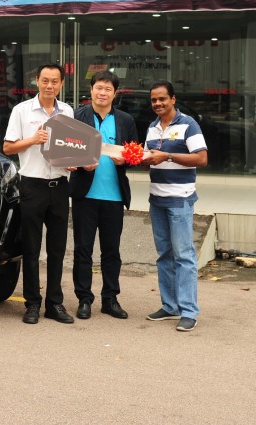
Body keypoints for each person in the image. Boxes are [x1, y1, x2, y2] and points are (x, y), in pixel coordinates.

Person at [3, 64, 75, 325]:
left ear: (61, 84)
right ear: (36, 81)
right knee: (31, 249)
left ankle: (55, 304)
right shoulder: (22, 111)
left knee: (57, 250)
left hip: (59, 186)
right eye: (45, 80)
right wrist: (33, 140)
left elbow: (71, 146)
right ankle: (32, 303)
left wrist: (73, 161)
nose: (49, 86)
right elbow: (9, 148)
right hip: (32, 185)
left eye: (55, 81)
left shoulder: (67, 111)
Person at [68, 71, 138, 320]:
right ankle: (84, 299)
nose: (102, 92)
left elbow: (135, 153)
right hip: (85, 195)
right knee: (83, 249)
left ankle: (110, 299)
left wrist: (125, 161)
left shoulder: (125, 120)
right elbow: (66, 150)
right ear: (91, 89)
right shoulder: (77, 116)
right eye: (99, 87)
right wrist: (79, 162)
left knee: (112, 251)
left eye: (108, 89)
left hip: (114, 196)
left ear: (115, 93)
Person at [142, 80, 208, 332]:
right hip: (156, 197)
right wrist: (138, 157)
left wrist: (167, 155)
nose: (157, 103)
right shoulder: (152, 127)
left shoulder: (188, 124)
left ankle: (189, 311)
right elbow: (151, 158)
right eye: (154, 100)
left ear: (173, 99)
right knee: (164, 255)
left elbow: (201, 158)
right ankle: (170, 306)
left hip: (180, 198)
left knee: (184, 256)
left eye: (162, 99)